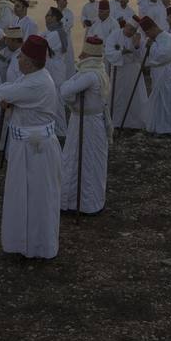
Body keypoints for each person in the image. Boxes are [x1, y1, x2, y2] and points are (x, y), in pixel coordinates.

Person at [0, 35, 63, 258]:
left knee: (37, 198)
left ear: (31, 62)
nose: (18, 60)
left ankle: (39, 246)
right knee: (21, 195)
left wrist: (9, 99)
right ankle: (22, 244)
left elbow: (2, 92)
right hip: (25, 147)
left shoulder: (37, 83)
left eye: (22, 56)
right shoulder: (31, 77)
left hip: (35, 150)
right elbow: (9, 91)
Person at [60, 35, 110, 215]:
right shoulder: (98, 70)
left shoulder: (89, 75)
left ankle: (85, 204)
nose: (80, 55)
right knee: (80, 158)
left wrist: (71, 87)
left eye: (84, 52)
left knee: (85, 159)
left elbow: (65, 90)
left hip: (86, 123)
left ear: (88, 54)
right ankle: (78, 201)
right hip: (85, 120)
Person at [137, 16, 171, 135]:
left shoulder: (167, 38)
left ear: (153, 28)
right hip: (158, 73)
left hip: (169, 72)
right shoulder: (152, 39)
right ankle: (162, 127)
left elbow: (162, 55)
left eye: (148, 33)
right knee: (161, 101)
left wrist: (151, 46)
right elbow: (144, 55)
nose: (147, 36)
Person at [106, 18, 149, 130]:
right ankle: (116, 121)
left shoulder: (138, 37)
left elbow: (142, 56)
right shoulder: (115, 35)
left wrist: (136, 46)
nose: (130, 32)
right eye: (129, 29)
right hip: (119, 70)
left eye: (133, 30)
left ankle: (135, 123)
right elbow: (109, 52)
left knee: (135, 96)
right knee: (118, 96)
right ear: (125, 26)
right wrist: (121, 52)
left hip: (133, 70)